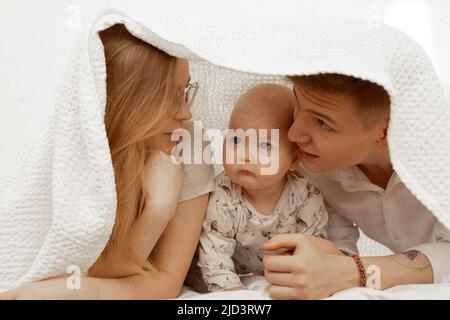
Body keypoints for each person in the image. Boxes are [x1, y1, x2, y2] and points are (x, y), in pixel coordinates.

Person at [0, 24, 215, 299]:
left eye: (185, 92)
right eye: (170, 97)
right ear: (129, 102)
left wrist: (158, 209)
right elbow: (93, 271)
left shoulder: (190, 144)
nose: (185, 113)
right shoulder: (78, 148)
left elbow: (166, 283)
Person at [262, 73, 450, 299]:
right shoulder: (315, 164)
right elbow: (336, 244)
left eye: (322, 122)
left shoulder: (441, 154)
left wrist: (352, 271)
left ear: (385, 132)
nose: (294, 134)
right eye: (297, 103)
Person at [194, 84, 332, 292]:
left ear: (294, 160)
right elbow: (214, 256)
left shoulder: (305, 194)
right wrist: (233, 294)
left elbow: (313, 246)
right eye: (237, 140)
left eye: (265, 145)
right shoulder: (223, 196)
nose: (245, 155)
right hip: (208, 271)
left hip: (267, 270)